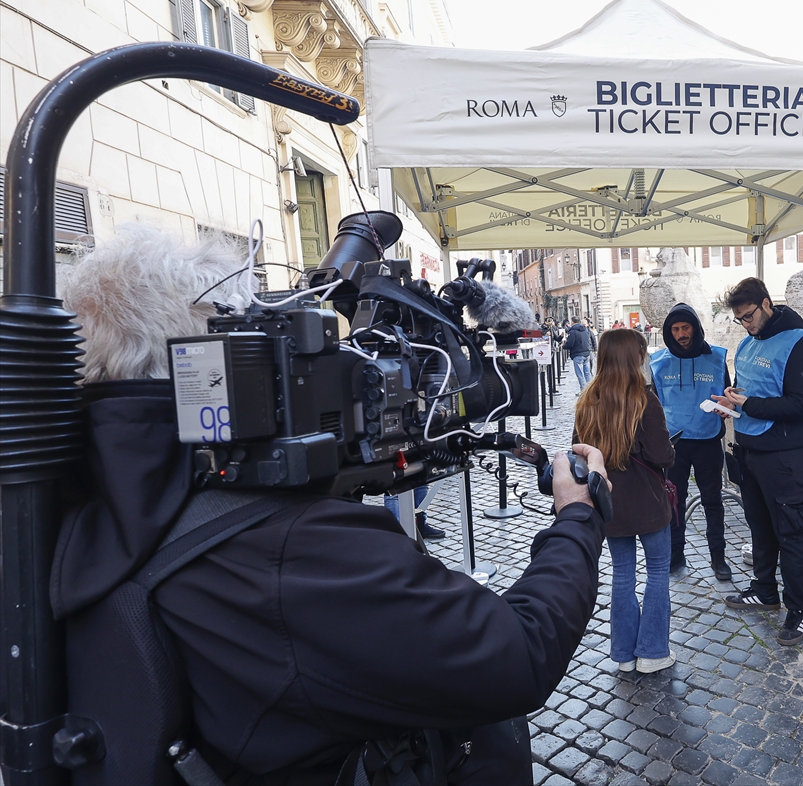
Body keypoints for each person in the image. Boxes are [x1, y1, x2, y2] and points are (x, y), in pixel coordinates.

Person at [52, 224, 610, 783]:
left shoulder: (64, 504)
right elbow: (519, 656)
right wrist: (577, 515)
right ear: (218, 356)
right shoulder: (295, 552)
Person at [712, 277, 803, 646]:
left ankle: (799, 611)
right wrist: (731, 401)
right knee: (759, 527)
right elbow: (747, 391)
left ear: (766, 303)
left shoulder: (800, 343)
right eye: (740, 319)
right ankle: (764, 590)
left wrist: (748, 404)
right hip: (749, 450)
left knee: (790, 532)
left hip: (783, 455)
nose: (746, 324)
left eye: (749, 316)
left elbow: (800, 405)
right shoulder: (747, 343)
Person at [574, 329, 676, 674]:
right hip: (648, 502)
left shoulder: (588, 400)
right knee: (658, 570)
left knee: (622, 573)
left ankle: (623, 653)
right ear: (636, 357)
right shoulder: (645, 400)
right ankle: (652, 651)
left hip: (610, 504)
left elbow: (579, 454)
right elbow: (662, 456)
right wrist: (671, 450)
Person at [649, 304, 732, 579]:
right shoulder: (658, 362)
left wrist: (727, 407)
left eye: (685, 328)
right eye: (675, 329)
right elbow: (654, 403)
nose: (681, 334)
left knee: (713, 502)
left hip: (708, 441)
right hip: (674, 445)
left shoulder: (717, 358)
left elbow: (727, 396)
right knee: (674, 502)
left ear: (695, 328)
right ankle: (676, 555)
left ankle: (718, 558)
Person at [563, 315, 593, 389]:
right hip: (586, 352)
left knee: (580, 374)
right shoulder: (585, 329)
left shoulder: (573, 331)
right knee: (587, 373)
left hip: (578, 353)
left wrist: (564, 346)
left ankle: (583, 390)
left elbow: (570, 343)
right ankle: (590, 389)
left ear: (572, 322)